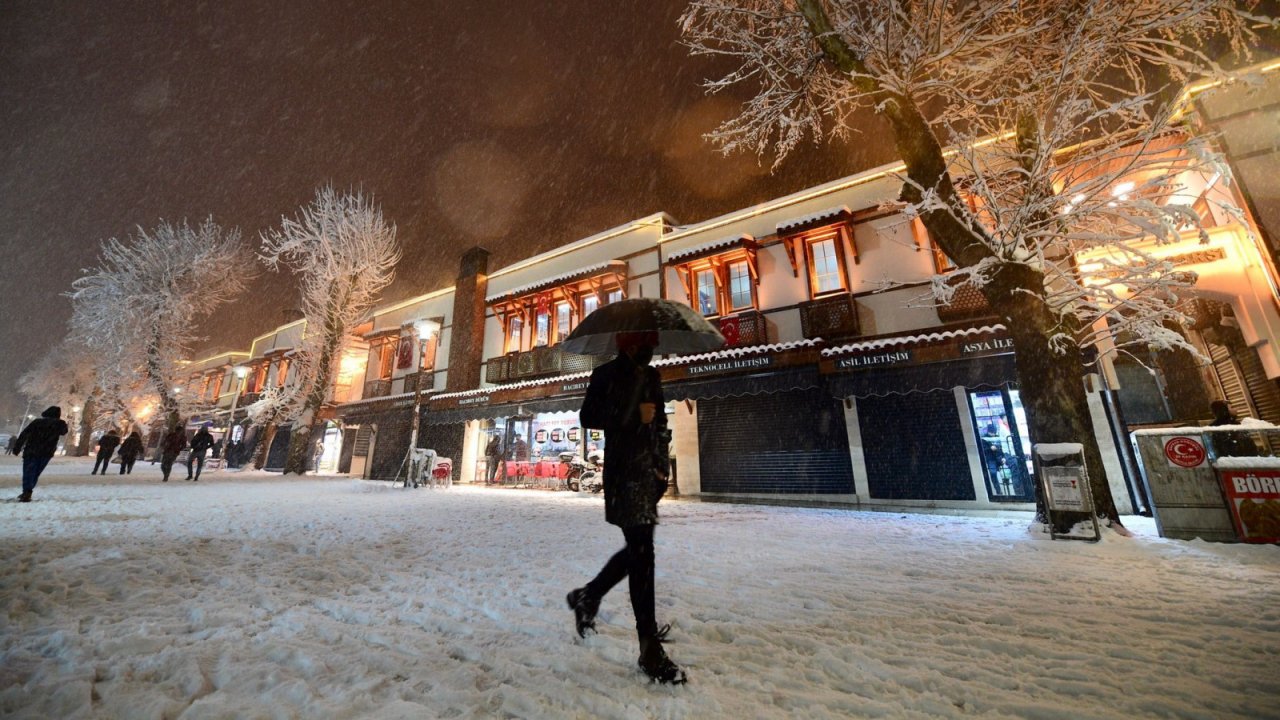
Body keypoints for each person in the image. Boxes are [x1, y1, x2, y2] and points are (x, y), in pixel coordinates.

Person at [567, 331, 685, 685]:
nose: (650, 349)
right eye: (644, 343)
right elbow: (588, 416)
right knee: (642, 551)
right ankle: (648, 646)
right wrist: (632, 413)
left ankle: (588, 596)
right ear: (628, 344)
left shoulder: (651, 376)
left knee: (639, 550)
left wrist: (663, 464)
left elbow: (661, 422)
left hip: (648, 473)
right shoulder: (606, 374)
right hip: (623, 474)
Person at [12, 406, 69, 502]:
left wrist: (17, 447)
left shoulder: (37, 422)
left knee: (28, 471)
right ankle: (28, 490)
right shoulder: (59, 424)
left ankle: (27, 491)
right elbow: (64, 432)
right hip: (47, 452)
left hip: (32, 450)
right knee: (36, 472)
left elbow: (25, 434)